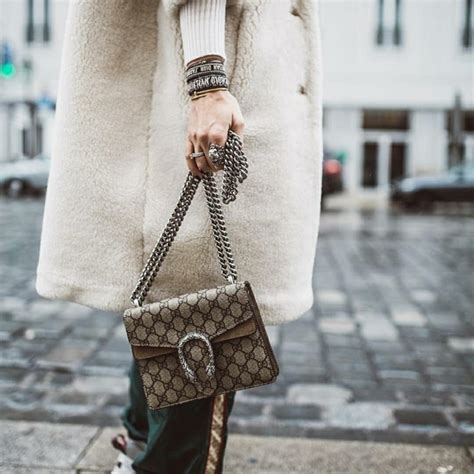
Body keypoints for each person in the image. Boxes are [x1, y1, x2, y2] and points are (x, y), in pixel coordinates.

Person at [35, 0, 323, 472]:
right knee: (203, 311)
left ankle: (138, 448)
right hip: (215, 76)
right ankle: (155, 461)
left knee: (168, 305)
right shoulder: (208, 83)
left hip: (196, 75)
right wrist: (208, 81)